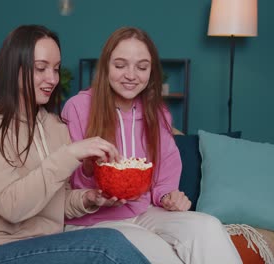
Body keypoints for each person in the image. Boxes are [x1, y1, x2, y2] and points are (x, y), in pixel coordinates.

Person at [0, 25, 150, 264]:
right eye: (41, 68)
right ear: (13, 68)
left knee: (114, 240)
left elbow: (57, 202)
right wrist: (70, 154)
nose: (52, 79)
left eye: (56, 69)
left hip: (44, 247)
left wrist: (89, 199)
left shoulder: (54, 126)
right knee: (107, 246)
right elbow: (12, 208)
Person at [62, 27, 242, 264]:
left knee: (207, 226)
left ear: (151, 71)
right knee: (154, 249)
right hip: (92, 221)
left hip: (142, 211)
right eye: (120, 65)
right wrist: (90, 173)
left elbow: (165, 172)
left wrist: (168, 195)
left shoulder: (158, 113)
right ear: (105, 66)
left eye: (142, 67)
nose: (131, 75)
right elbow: (67, 182)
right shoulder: (78, 108)